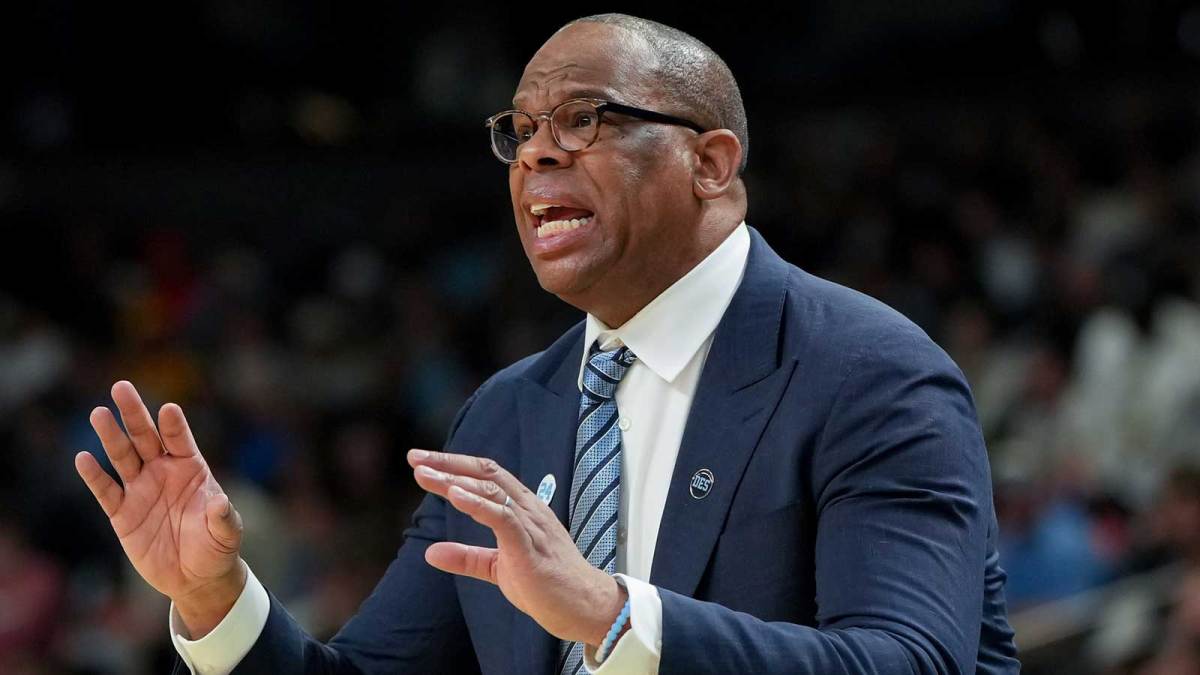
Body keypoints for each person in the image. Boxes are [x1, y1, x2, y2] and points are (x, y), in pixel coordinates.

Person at [73, 13, 1020, 675]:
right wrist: (213, 597)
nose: (535, 154)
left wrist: (612, 616)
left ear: (712, 163)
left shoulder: (870, 373)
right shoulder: (509, 412)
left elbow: (909, 659)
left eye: (583, 119)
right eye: (520, 132)